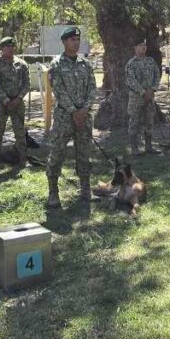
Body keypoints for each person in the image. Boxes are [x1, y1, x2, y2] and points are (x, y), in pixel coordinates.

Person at [45, 26, 97, 208]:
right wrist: (74, 111)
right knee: (57, 153)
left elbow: (92, 89)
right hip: (64, 118)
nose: (76, 43)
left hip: (84, 117)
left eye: (78, 39)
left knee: (84, 154)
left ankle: (85, 189)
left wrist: (84, 109)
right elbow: (58, 90)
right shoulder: (56, 64)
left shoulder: (86, 64)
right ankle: (53, 192)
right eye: (72, 40)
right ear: (64, 42)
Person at [0, 37, 31, 173]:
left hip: (18, 103)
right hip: (1, 103)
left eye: (13, 46)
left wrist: (18, 99)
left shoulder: (22, 64)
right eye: (8, 46)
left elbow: (27, 84)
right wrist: (6, 100)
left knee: (20, 133)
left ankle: (22, 161)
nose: (11, 49)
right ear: (2, 48)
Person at [125, 39, 161, 156]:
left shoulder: (151, 61)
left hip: (150, 96)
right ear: (135, 48)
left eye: (145, 45)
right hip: (136, 98)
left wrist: (153, 88)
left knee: (149, 121)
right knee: (134, 122)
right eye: (140, 45)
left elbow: (157, 74)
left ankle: (149, 146)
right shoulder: (131, 63)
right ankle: (134, 148)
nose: (143, 48)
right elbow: (131, 80)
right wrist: (143, 92)